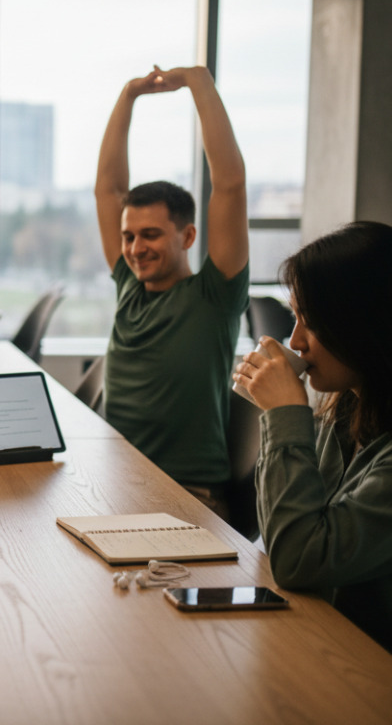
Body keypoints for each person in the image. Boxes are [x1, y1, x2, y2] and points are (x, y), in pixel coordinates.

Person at [234, 221, 392, 696]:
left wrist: (286, 416)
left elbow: (302, 558)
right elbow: (286, 537)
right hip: (338, 645)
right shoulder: (356, 400)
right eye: (295, 317)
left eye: (310, 320)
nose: (294, 341)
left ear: (367, 323)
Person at [93, 65, 250, 517]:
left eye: (151, 235)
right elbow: (108, 190)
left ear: (187, 236)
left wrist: (199, 83)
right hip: (115, 478)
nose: (136, 249)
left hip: (188, 495)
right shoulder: (129, 283)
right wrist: (128, 96)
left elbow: (230, 184)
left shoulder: (215, 296)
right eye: (129, 236)